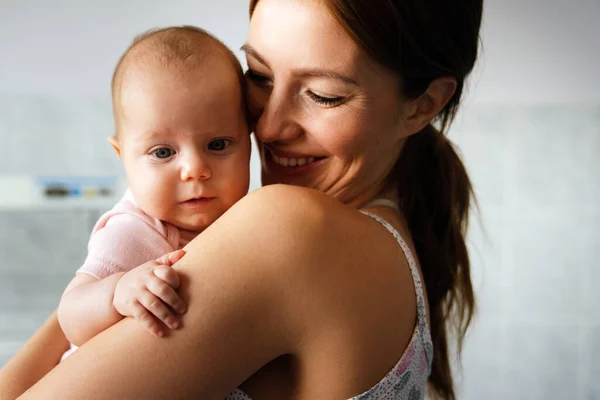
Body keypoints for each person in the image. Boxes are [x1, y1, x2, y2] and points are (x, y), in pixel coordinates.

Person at [0, 0, 482, 398]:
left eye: (323, 95)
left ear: (424, 104)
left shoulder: (292, 230)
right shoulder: (388, 235)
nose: (266, 128)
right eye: (259, 75)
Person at [57, 25, 251, 357]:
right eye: (163, 152)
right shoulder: (133, 231)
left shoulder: (246, 219)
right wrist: (118, 292)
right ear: (122, 157)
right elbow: (71, 316)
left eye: (217, 144)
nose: (194, 169)